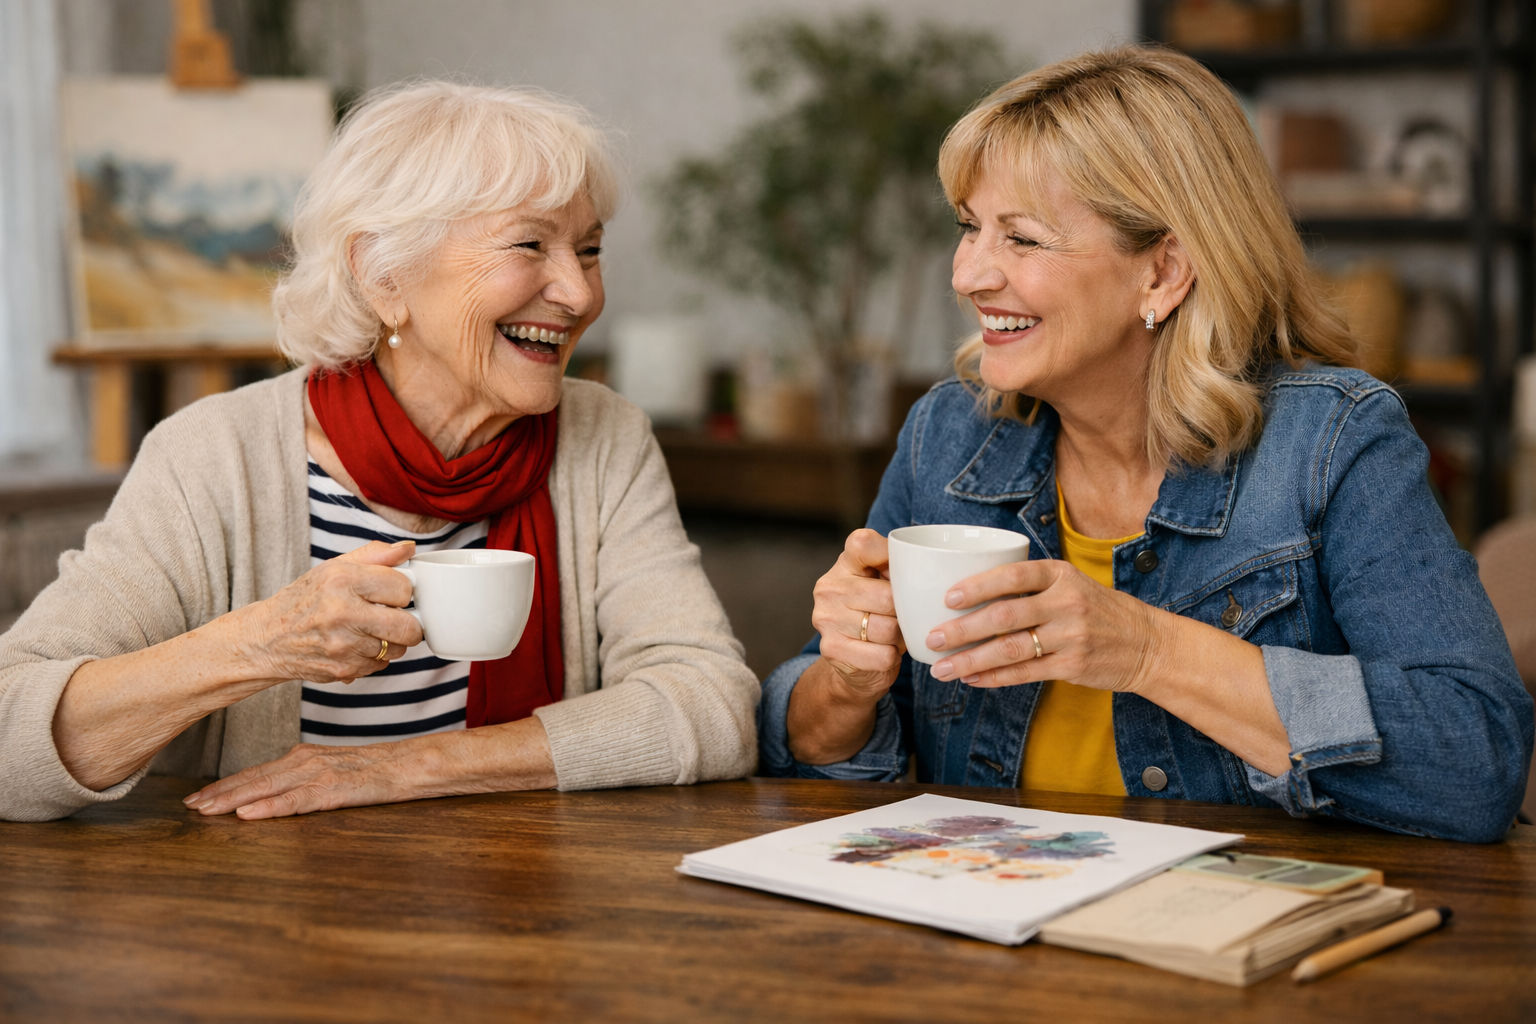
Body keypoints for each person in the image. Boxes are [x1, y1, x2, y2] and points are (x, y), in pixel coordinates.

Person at [758, 46, 1533, 843]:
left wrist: (1145, 648)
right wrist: (846, 684)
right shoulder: (949, 436)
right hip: (993, 930)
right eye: (969, 229)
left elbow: (1477, 763)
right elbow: (808, 747)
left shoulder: (1330, 442)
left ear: (1163, 272)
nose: (968, 275)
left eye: (1021, 240)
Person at [0, 80, 758, 822]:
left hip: (525, 912)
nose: (579, 293)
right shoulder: (217, 456)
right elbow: (11, 737)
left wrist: (406, 768)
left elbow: (711, 702)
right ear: (383, 274)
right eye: (531, 244)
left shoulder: (604, 439)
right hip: (265, 918)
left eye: (588, 250)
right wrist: (262, 644)